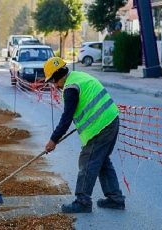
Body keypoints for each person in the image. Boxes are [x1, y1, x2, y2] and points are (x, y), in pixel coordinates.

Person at [43, 57, 125, 213]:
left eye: (52, 81)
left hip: (100, 127)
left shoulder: (70, 88)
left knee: (87, 162)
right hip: (111, 120)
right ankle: (115, 199)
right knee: (101, 161)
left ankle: (82, 201)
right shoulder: (78, 77)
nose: (53, 85)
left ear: (56, 77)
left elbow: (66, 118)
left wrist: (53, 140)